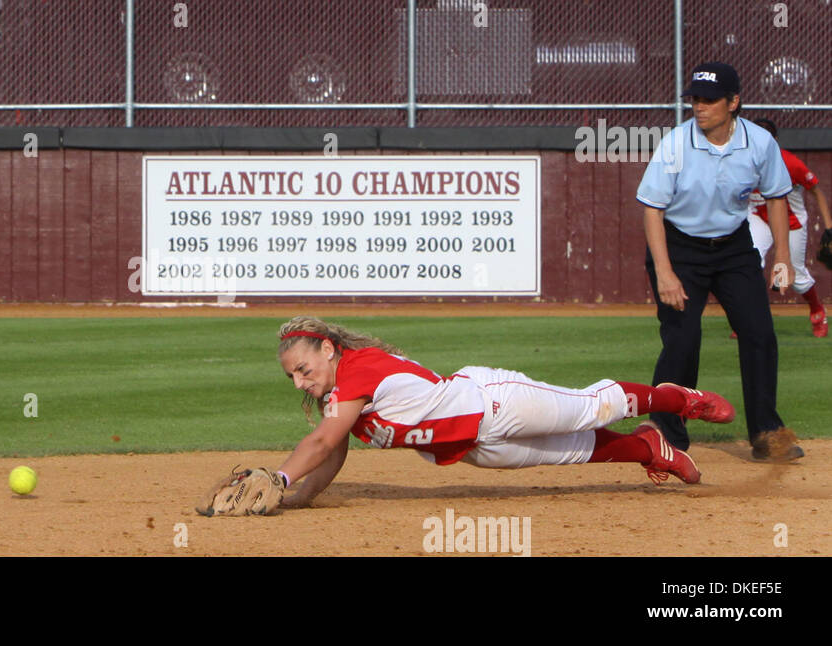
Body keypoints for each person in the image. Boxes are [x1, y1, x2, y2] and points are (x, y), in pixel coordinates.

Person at [262, 316, 733, 510]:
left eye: (304, 369)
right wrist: (302, 496)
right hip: (471, 447)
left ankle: (679, 399)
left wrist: (278, 480)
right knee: (572, 452)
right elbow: (334, 450)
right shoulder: (337, 396)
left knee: (594, 407)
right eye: (293, 379)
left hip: (495, 402)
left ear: (327, 349)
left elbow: (320, 443)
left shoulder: (357, 370)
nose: (301, 382)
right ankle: (650, 447)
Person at [636, 61, 804, 463]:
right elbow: (652, 210)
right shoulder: (676, 143)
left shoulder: (760, 142)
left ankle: (766, 433)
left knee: (760, 334)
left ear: (733, 102)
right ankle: (667, 432)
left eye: (709, 99)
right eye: (695, 98)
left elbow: (778, 195)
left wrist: (783, 256)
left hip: (733, 246)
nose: (699, 106)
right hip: (680, 247)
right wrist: (665, 273)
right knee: (682, 339)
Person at [743, 118, 831, 338]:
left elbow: (816, 191)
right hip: (760, 218)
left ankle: (817, 310)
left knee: (797, 275)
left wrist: (829, 227)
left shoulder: (789, 163)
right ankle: (747, 318)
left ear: (774, 141)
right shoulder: (742, 160)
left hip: (791, 222)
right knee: (749, 263)